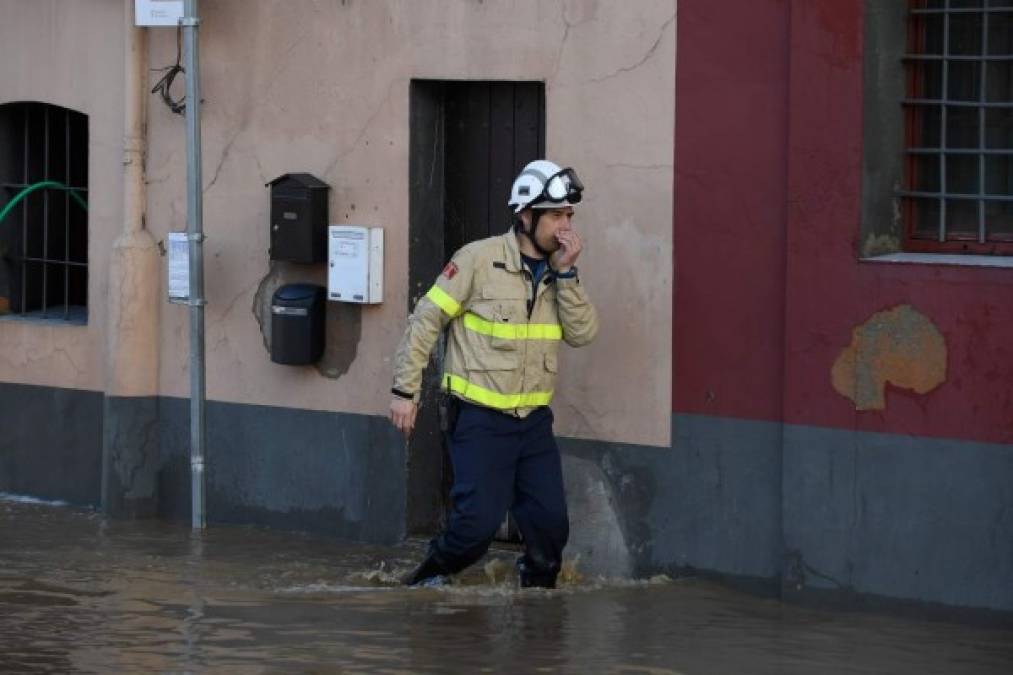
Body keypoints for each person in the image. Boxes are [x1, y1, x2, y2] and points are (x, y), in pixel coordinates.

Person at [389, 159, 599, 588]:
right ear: (526, 215)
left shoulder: (560, 275)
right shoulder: (478, 260)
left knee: (550, 530)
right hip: (480, 420)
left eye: (569, 216)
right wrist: (404, 390)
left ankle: (536, 615)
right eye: (556, 215)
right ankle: (422, 584)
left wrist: (567, 274)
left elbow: (583, 334)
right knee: (475, 530)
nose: (566, 227)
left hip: (534, 423)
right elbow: (425, 320)